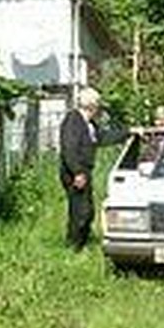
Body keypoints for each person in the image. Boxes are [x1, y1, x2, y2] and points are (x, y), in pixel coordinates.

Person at [59, 86, 102, 250]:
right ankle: (74, 246)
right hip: (74, 173)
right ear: (92, 105)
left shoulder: (88, 123)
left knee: (87, 211)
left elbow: (102, 137)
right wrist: (77, 172)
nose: (98, 108)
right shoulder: (73, 120)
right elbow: (69, 148)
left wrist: (128, 132)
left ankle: (80, 243)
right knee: (80, 212)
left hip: (84, 171)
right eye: (97, 104)